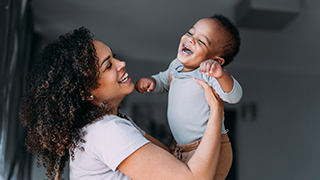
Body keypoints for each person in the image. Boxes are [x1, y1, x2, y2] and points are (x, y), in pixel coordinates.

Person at [19, 27, 226, 180]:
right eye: (108, 65)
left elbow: (173, 160)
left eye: (114, 57)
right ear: (87, 92)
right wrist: (217, 109)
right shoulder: (107, 131)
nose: (121, 64)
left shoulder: (107, 126)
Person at [135, 14, 242, 179]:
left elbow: (234, 97)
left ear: (215, 60)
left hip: (210, 147)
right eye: (190, 33)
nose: (190, 39)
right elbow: (163, 81)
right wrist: (152, 82)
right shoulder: (176, 66)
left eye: (201, 41)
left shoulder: (208, 73)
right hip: (180, 147)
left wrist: (221, 75)